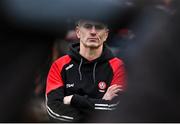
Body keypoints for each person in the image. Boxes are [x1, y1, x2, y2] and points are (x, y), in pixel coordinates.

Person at [45, 19, 126, 122]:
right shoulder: (59, 65)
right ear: (78, 32)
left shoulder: (118, 66)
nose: (93, 32)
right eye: (88, 26)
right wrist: (101, 103)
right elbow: (54, 110)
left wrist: (73, 99)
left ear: (106, 35)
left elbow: (116, 108)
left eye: (98, 27)